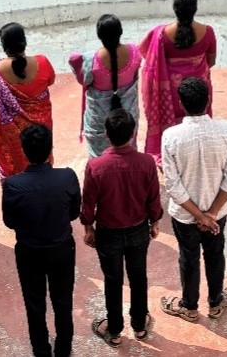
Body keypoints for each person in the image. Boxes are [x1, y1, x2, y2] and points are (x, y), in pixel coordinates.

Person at [158, 77, 227, 324]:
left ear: (181, 104)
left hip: (185, 215)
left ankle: (189, 307)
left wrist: (199, 215)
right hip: (217, 214)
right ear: (208, 100)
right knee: (215, 254)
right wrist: (210, 214)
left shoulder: (170, 136)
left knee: (188, 257)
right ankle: (216, 302)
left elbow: (173, 185)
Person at [82, 109, 162, 347]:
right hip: (138, 231)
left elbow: (88, 204)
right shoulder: (147, 162)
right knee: (138, 277)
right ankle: (139, 326)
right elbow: (153, 198)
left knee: (112, 280)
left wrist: (88, 229)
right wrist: (155, 222)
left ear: (106, 134)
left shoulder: (95, 166)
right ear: (133, 133)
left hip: (108, 234)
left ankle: (115, 330)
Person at [2, 124, 81, 357]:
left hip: (29, 251)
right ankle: (63, 350)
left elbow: (9, 221)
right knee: (63, 302)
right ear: (50, 148)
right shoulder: (67, 176)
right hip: (61, 248)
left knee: (34, 304)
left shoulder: (13, 185)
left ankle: (41, 350)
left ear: (24, 151)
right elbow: (74, 213)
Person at [0, 23, 56, 179]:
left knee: (18, 173)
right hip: (42, 129)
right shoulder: (43, 61)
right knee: (42, 157)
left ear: (4, 46)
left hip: (14, 138)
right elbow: (50, 81)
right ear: (25, 41)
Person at [141, 0, 217, 157]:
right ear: (195, 9)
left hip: (171, 95)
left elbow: (149, 57)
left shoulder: (161, 34)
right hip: (199, 90)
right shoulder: (208, 32)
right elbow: (211, 62)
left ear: (175, 9)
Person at [71, 14, 142, 158]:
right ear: (120, 31)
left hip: (99, 120)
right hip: (127, 117)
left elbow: (83, 80)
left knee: (99, 157)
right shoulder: (134, 52)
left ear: (99, 35)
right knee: (127, 150)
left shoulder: (91, 60)